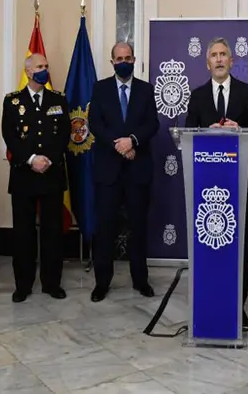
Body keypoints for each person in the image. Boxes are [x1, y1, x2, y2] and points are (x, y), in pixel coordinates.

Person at [185, 37, 248, 331]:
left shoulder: (246, 92)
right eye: (214, 56)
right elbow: (187, 134)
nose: (219, 60)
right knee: (209, 246)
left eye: (223, 55)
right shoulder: (197, 95)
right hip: (204, 187)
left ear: (232, 61)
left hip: (237, 184)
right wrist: (208, 132)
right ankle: (208, 303)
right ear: (208, 63)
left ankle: (237, 307)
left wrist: (240, 130)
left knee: (237, 247)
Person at [88, 42, 160, 302]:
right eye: (119, 58)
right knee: (105, 228)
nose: (123, 62)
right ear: (111, 61)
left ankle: (140, 280)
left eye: (128, 58)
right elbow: (95, 123)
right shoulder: (100, 88)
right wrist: (119, 145)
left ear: (134, 59)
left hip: (138, 170)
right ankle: (102, 282)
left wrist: (132, 140)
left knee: (138, 228)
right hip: (108, 171)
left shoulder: (145, 89)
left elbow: (153, 123)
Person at [2, 53, 71, 303]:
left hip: (51, 174)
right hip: (23, 176)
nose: (44, 70)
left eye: (46, 66)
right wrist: (32, 159)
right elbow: (9, 136)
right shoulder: (12, 101)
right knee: (23, 233)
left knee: (53, 232)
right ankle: (23, 285)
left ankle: (52, 283)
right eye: (39, 67)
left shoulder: (58, 99)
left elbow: (64, 134)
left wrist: (48, 159)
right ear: (28, 72)